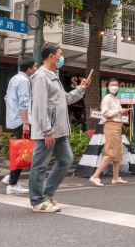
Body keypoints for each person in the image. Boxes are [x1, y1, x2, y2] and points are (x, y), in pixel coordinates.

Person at [29, 42, 91, 213]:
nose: (61, 57)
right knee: (39, 165)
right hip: (48, 131)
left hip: (59, 131)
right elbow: (40, 106)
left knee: (66, 160)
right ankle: (37, 201)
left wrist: (81, 89)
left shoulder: (52, 75)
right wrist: (47, 130)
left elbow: (64, 99)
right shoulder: (42, 77)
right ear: (51, 56)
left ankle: (47, 193)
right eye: (60, 53)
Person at [1, 58, 37, 194]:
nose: (36, 69)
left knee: (23, 150)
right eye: (34, 67)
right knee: (24, 151)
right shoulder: (24, 81)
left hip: (14, 119)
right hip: (22, 121)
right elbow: (23, 103)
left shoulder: (14, 79)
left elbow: (7, 98)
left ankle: (11, 179)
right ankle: (12, 183)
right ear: (29, 69)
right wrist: (26, 123)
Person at [89, 79, 130, 187]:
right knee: (111, 152)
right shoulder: (107, 98)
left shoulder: (115, 99)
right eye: (112, 85)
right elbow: (105, 113)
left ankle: (115, 177)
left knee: (118, 153)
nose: (115, 86)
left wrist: (121, 112)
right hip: (111, 125)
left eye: (116, 85)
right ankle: (95, 176)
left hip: (117, 126)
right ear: (108, 86)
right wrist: (119, 111)